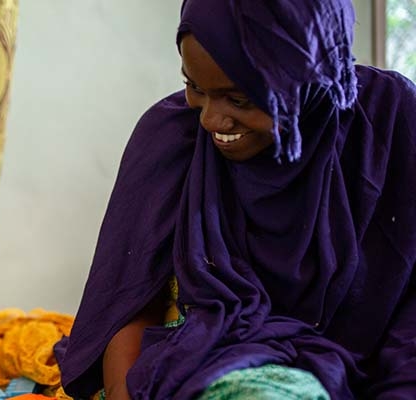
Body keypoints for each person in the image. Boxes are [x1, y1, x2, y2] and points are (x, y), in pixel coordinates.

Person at [54, 0, 416, 399]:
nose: (210, 119)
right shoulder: (172, 136)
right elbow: (126, 302)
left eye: (240, 100)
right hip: (200, 364)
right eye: (194, 87)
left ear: (308, 77)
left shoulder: (387, 121)